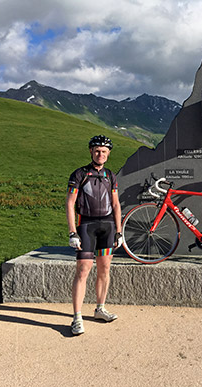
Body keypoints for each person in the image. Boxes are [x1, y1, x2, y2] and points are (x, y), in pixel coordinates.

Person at [66, 135, 122, 336]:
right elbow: (70, 203)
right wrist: (73, 231)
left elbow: (116, 204)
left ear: (108, 154)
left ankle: (100, 308)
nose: (101, 154)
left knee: (104, 268)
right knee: (83, 270)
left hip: (107, 225)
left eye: (104, 151)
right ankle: (77, 317)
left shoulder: (110, 175)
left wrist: (119, 231)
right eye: (97, 151)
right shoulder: (80, 174)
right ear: (91, 151)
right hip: (86, 225)